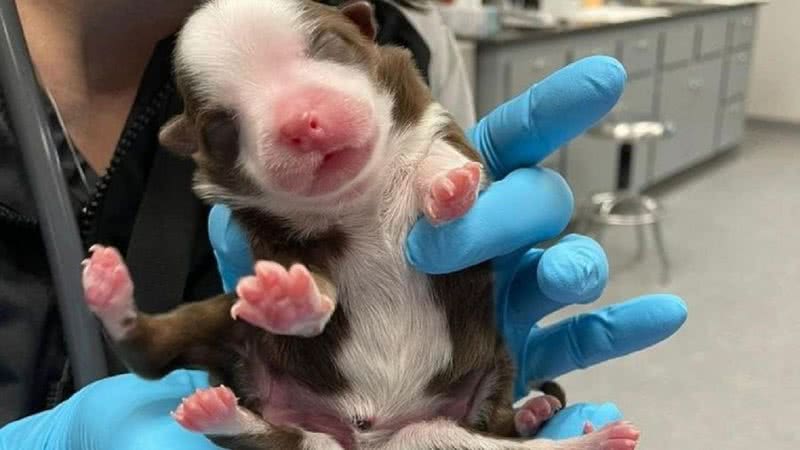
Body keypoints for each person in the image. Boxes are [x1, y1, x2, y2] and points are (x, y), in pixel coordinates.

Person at [0, 0, 687, 448]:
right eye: (231, 123)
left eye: (323, 55)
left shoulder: (408, 32)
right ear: (201, 148)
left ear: (360, 31)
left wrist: (496, 382)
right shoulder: (258, 211)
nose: (301, 119)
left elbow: (443, 176)